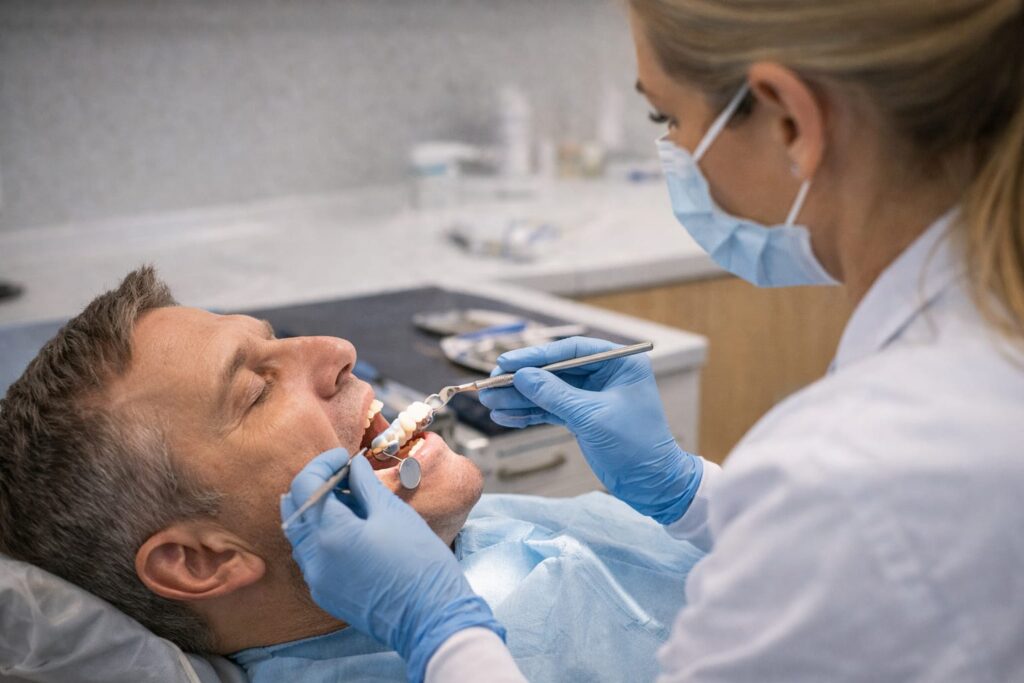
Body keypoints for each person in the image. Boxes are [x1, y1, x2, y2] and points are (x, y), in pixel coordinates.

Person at [281, 1, 1024, 681]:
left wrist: (443, 635)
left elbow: (857, 527)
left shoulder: (855, 466)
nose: (335, 351)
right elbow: (868, 567)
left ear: (791, 123)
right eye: (256, 384)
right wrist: (691, 493)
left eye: (667, 116)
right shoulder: (950, 361)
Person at [0, 267, 704, 682]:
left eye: (276, 339)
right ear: (201, 559)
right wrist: (443, 635)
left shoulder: (467, 544)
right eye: (257, 389)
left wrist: (694, 497)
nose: (338, 350)